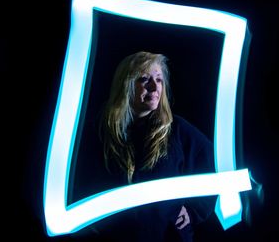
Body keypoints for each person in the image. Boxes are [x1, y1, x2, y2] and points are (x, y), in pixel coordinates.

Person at [75, 51, 216, 242]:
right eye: (144, 79)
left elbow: (214, 164)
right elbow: (80, 179)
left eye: (159, 80)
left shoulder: (177, 130)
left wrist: (194, 210)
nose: (154, 86)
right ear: (125, 86)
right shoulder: (100, 131)